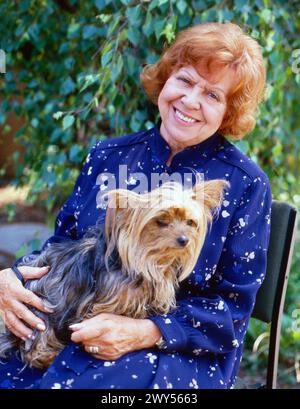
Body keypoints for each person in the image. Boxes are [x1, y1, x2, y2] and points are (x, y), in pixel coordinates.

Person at [0, 22, 271, 389]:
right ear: (166, 79)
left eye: (212, 95)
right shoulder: (109, 155)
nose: (191, 100)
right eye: (186, 81)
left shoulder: (243, 183)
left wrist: (144, 331)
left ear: (228, 111)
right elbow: (60, 249)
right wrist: (13, 280)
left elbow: (233, 310)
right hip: (68, 328)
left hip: (177, 354)